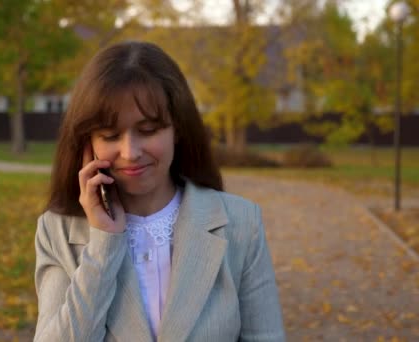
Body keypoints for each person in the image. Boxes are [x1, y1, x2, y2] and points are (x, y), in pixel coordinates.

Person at [34, 41, 285, 342]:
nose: (130, 152)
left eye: (149, 130)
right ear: (87, 143)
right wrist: (103, 245)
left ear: (177, 128)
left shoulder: (241, 223)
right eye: (110, 135)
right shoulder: (57, 231)